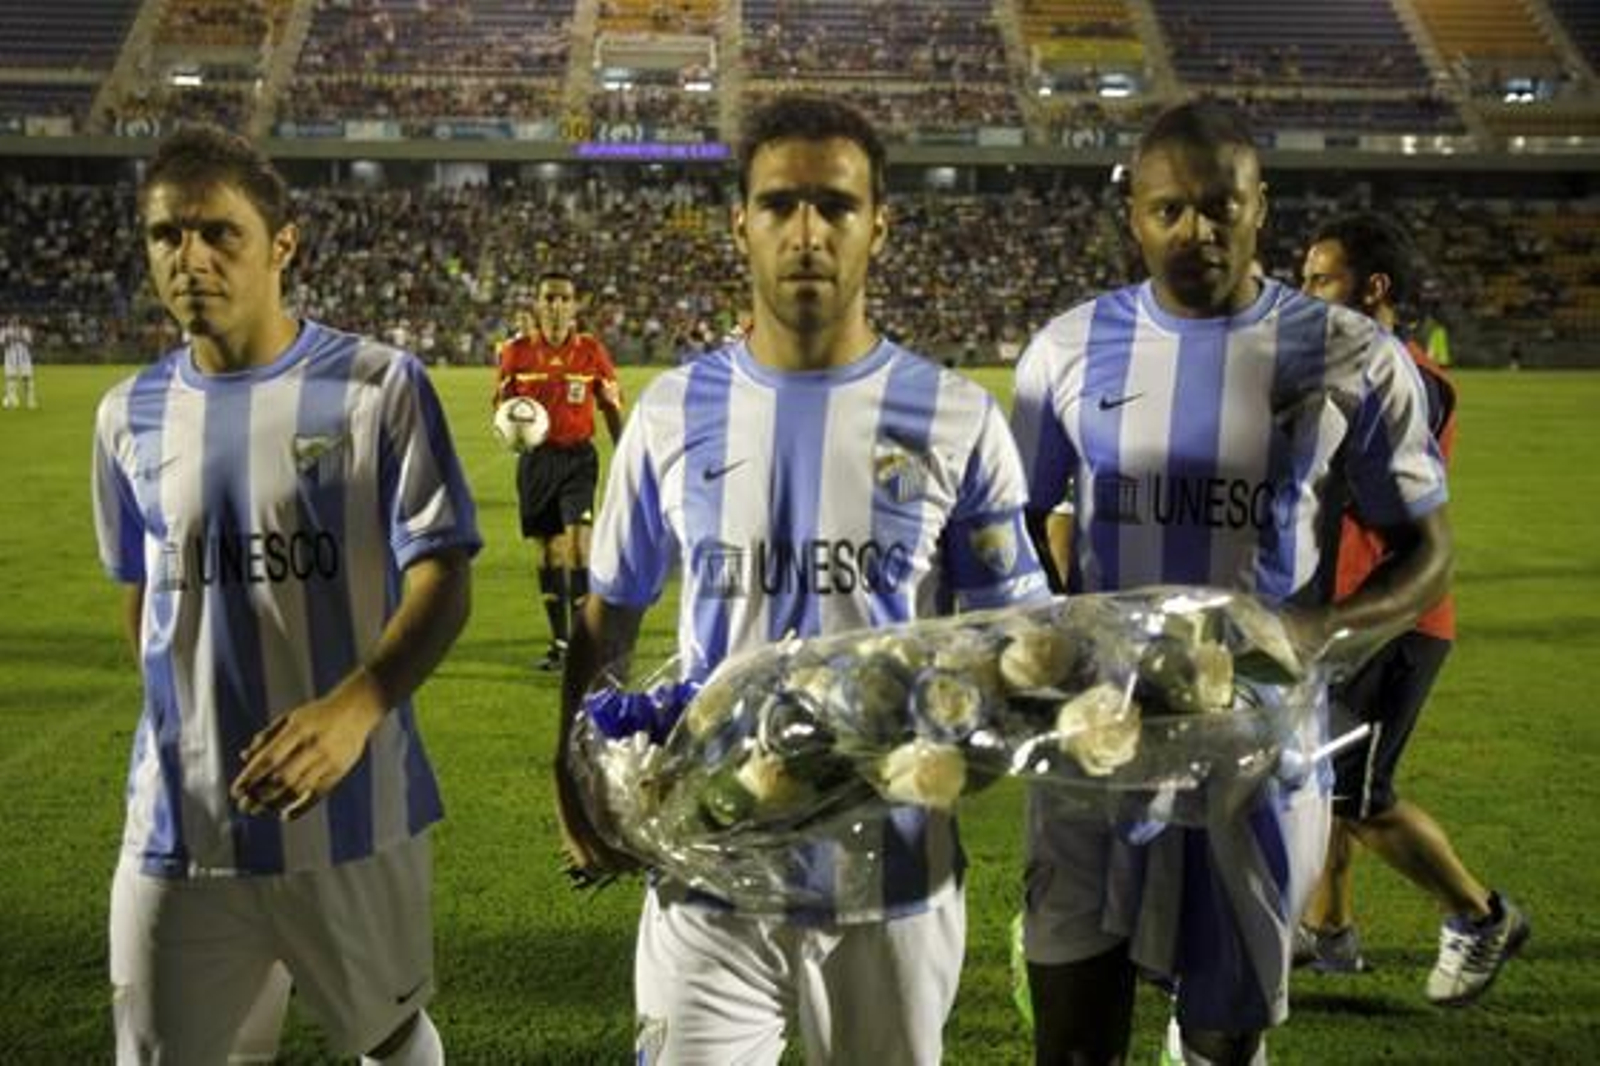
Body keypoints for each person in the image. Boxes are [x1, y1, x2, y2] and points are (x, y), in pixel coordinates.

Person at [555, 95, 1049, 1063]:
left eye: (835, 204)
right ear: (740, 221)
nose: (808, 231)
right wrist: (574, 780)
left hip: (895, 871)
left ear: (880, 224)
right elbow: (607, 620)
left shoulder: (954, 417)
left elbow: (1013, 645)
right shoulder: (669, 413)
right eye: (780, 204)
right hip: (707, 869)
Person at [1009, 101, 1454, 1066]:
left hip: (1259, 756)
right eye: (1170, 210)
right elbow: (1013, 523)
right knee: (1076, 1043)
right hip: (1095, 749)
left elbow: (1428, 554)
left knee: (1222, 1038)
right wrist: (1044, 635)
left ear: (1264, 206)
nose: (1196, 232)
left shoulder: (1349, 353)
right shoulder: (1065, 350)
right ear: (1134, 214)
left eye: (1220, 207)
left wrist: (1320, 629)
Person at [91, 124, 479, 1065]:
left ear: (283, 245)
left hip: (355, 813)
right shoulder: (126, 415)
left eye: (219, 233)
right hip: (180, 824)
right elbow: (144, 594)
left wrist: (357, 709)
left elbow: (444, 574)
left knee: (389, 1037)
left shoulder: (378, 386)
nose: (191, 259)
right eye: (166, 235)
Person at [1297, 212, 1527, 1001]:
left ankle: (1478, 913)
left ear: (1374, 287)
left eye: (1320, 279)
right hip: (1350, 614)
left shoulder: (1407, 378)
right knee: (1324, 779)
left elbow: (1386, 494)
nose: (1307, 294)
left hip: (1396, 619)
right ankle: (1328, 932)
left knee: (1360, 797)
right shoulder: (1361, 366)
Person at [494, 273, 624, 671]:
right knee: (550, 553)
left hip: (577, 460)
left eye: (563, 298)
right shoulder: (515, 353)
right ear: (537, 303)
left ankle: (588, 646)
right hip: (536, 462)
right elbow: (501, 412)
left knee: (580, 547)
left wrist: (624, 453)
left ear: (574, 305)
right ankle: (561, 644)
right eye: (548, 298)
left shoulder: (590, 351)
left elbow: (611, 405)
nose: (555, 305)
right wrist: (512, 433)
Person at [2, 314, 38, 409]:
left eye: (16, 320)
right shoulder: (5, 331)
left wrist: (21, 337)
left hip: (24, 358)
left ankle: (30, 401)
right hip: (10, 358)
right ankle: (12, 401)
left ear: (19, 321)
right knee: (11, 379)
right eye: (13, 320)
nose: (15, 322)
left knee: (27, 379)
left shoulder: (25, 330)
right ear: (10, 321)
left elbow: (30, 344)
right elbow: (4, 345)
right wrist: (9, 338)